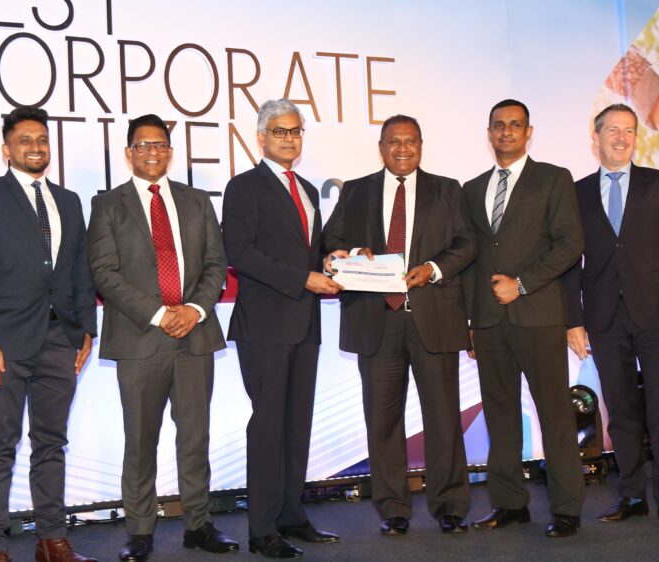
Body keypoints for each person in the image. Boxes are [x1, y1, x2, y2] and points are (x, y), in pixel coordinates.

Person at [87, 114, 237, 560]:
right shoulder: (107, 205)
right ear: (128, 153)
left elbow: (216, 264)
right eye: (143, 145)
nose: (152, 152)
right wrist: (158, 314)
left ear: (170, 152)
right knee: (140, 440)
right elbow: (104, 272)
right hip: (139, 338)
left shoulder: (197, 201)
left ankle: (198, 524)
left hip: (195, 335)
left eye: (160, 145)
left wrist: (193, 309)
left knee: (195, 437)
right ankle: (139, 531)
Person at [0, 106, 97, 562]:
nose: (35, 147)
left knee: (51, 443)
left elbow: (80, 271)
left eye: (42, 140)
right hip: (4, 344)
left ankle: (51, 540)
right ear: (7, 149)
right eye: (25, 141)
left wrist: (85, 330)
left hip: (60, 341)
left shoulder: (69, 200)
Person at [322, 115, 475, 536]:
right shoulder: (355, 191)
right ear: (381, 148)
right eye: (394, 142)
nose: (402, 149)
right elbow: (331, 242)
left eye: (410, 141)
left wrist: (433, 268)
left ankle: (450, 506)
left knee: (443, 418)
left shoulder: (447, 189)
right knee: (382, 421)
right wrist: (353, 253)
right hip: (377, 322)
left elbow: (466, 244)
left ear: (421, 146)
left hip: (433, 318)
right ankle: (392, 508)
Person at [564, 104, 659, 529]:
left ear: (636, 138)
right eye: (613, 130)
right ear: (596, 137)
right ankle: (632, 496)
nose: (621, 138)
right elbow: (570, 262)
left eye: (629, 130)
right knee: (621, 411)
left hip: (658, 315)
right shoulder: (577, 192)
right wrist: (573, 320)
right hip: (603, 318)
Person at [222, 99, 341, 559]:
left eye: (295, 131)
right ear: (261, 138)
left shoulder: (306, 188)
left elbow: (309, 252)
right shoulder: (243, 187)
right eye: (280, 132)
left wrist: (332, 259)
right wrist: (302, 278)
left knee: (296, 426)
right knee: (269, 428)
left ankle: (291, 515)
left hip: (305, 323)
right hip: (265, 326)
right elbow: (240, 252)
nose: (289, 139)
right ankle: (262, 530)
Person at [462, 99, 586, 537]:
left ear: (528, 132)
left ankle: (567, 509)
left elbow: (570, 244)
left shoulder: (553, 179)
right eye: (499, 125)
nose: (507, 131)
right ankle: (509, 504)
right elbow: (469, 260)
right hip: (488, 323)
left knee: (555, 415)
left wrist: (522, 284)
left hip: (539, 316)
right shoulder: (471, 189)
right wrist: (469, 323)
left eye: (515, 125)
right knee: (499, 417)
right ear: (489, 133)